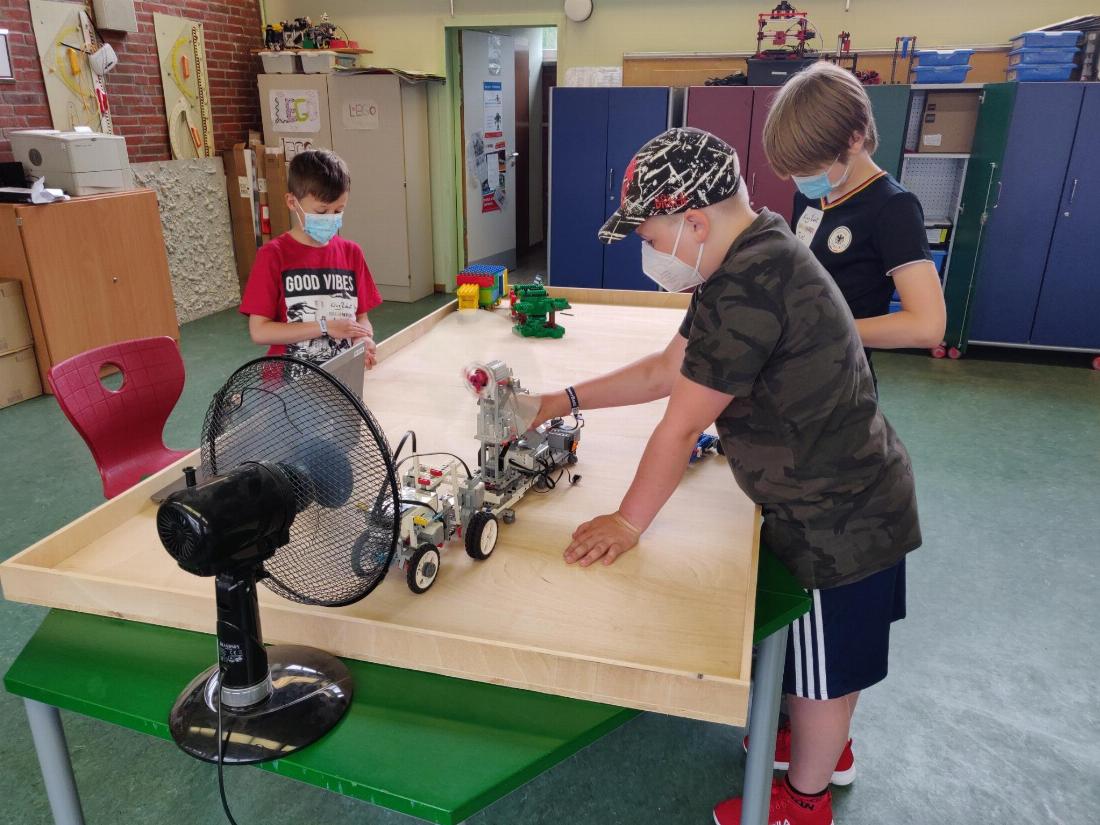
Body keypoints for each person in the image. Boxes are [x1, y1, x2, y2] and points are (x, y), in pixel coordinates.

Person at [530, 127, 921, 825]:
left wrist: (627, 521)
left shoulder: (749, 285)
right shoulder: (748, 253)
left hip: (837, 519)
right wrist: (559, 401)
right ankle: (814, 742)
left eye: (650, 237)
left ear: (694, 222)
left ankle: (806, 800)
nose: (649, 252)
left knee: (826, 676)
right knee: (819, 664)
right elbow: (666, 369)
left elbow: (680, 424)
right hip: (836, 494)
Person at [763, 61, 946, 385]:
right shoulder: (810, 197)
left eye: (810, 169)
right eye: (796, 172)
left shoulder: (893, 207)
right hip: (795, 369)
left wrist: (826, 331)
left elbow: (927, 326)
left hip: (842, 380)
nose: (802, 181)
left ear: (855, 139)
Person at [240, 149, 381, 368]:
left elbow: (361, 318)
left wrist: (362, 338)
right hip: (289, 379)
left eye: (338, 211)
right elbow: (259, 331)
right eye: (321, 211)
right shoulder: (273, 255)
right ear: (292, 202)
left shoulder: (351, 253)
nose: (331, 218)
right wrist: (325, 326)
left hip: (341, 374)